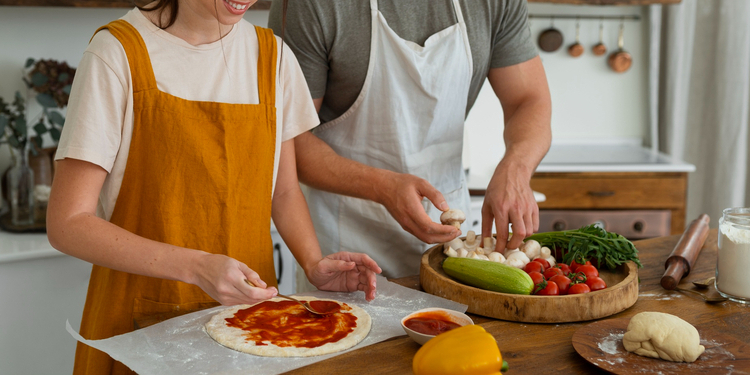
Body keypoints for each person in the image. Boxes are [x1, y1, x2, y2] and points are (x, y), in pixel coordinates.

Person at [46, 0, 382, 373]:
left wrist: (314, 262)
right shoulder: (117, 53)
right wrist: (197, 267)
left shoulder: (274, 58)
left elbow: (283, 191)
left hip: (255, 329)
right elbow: (67, 223)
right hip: (138, 325)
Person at [268, 0, 552, 278]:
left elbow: (528, 100)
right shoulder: (310, 5)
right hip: (346, 247)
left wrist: (516, 167)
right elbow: (289, 139)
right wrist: (382, 187)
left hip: (453, 248)